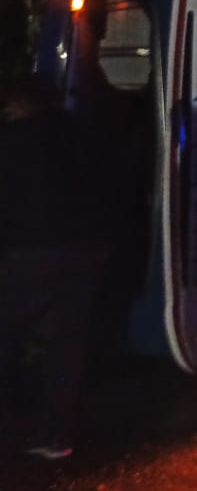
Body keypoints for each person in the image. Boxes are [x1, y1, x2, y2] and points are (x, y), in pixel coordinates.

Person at [0, 75, 114, 460]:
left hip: (29, 252)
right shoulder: (85, 136)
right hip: (84, 252)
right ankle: (57, 436)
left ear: (20, 104)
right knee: (66, 343)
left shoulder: (11, 141)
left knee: (7, 337)